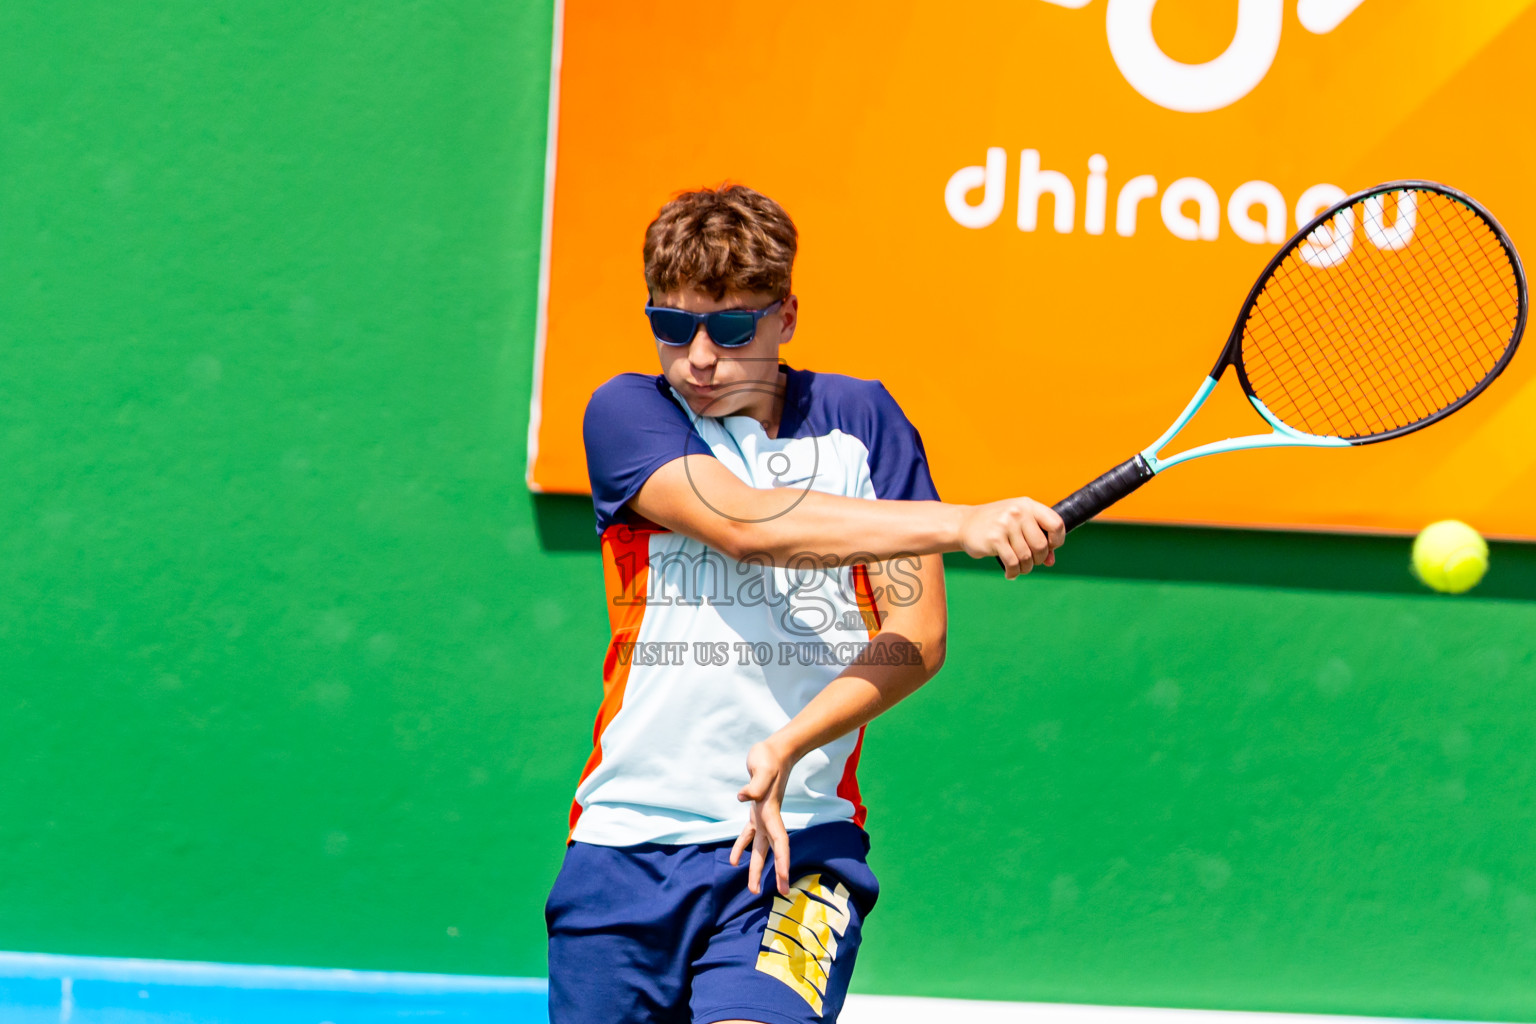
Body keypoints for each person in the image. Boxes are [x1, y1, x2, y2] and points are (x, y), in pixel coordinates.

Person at [546, 183, 1064, 1024]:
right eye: (673, 328)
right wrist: (964, 520)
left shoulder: (865, 421)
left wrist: (792, 742)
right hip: (624, 848)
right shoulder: (628, 413)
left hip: (801, 847)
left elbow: (916, 634)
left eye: (733, 328)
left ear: (786, 317)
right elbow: (748, 526)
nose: (701, 359)